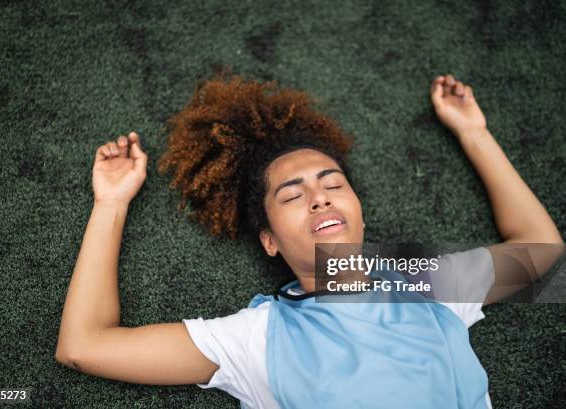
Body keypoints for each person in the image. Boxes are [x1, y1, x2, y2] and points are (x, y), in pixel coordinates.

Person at [55, 72, 564, 409]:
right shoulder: (256, 338)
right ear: (269, 241)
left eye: (334, 183)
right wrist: (111, 204)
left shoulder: (428, 285)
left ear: (358, 212)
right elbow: (84, 346)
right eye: (293, 196)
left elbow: (542, 254)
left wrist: (474, 133)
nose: (321, 199)